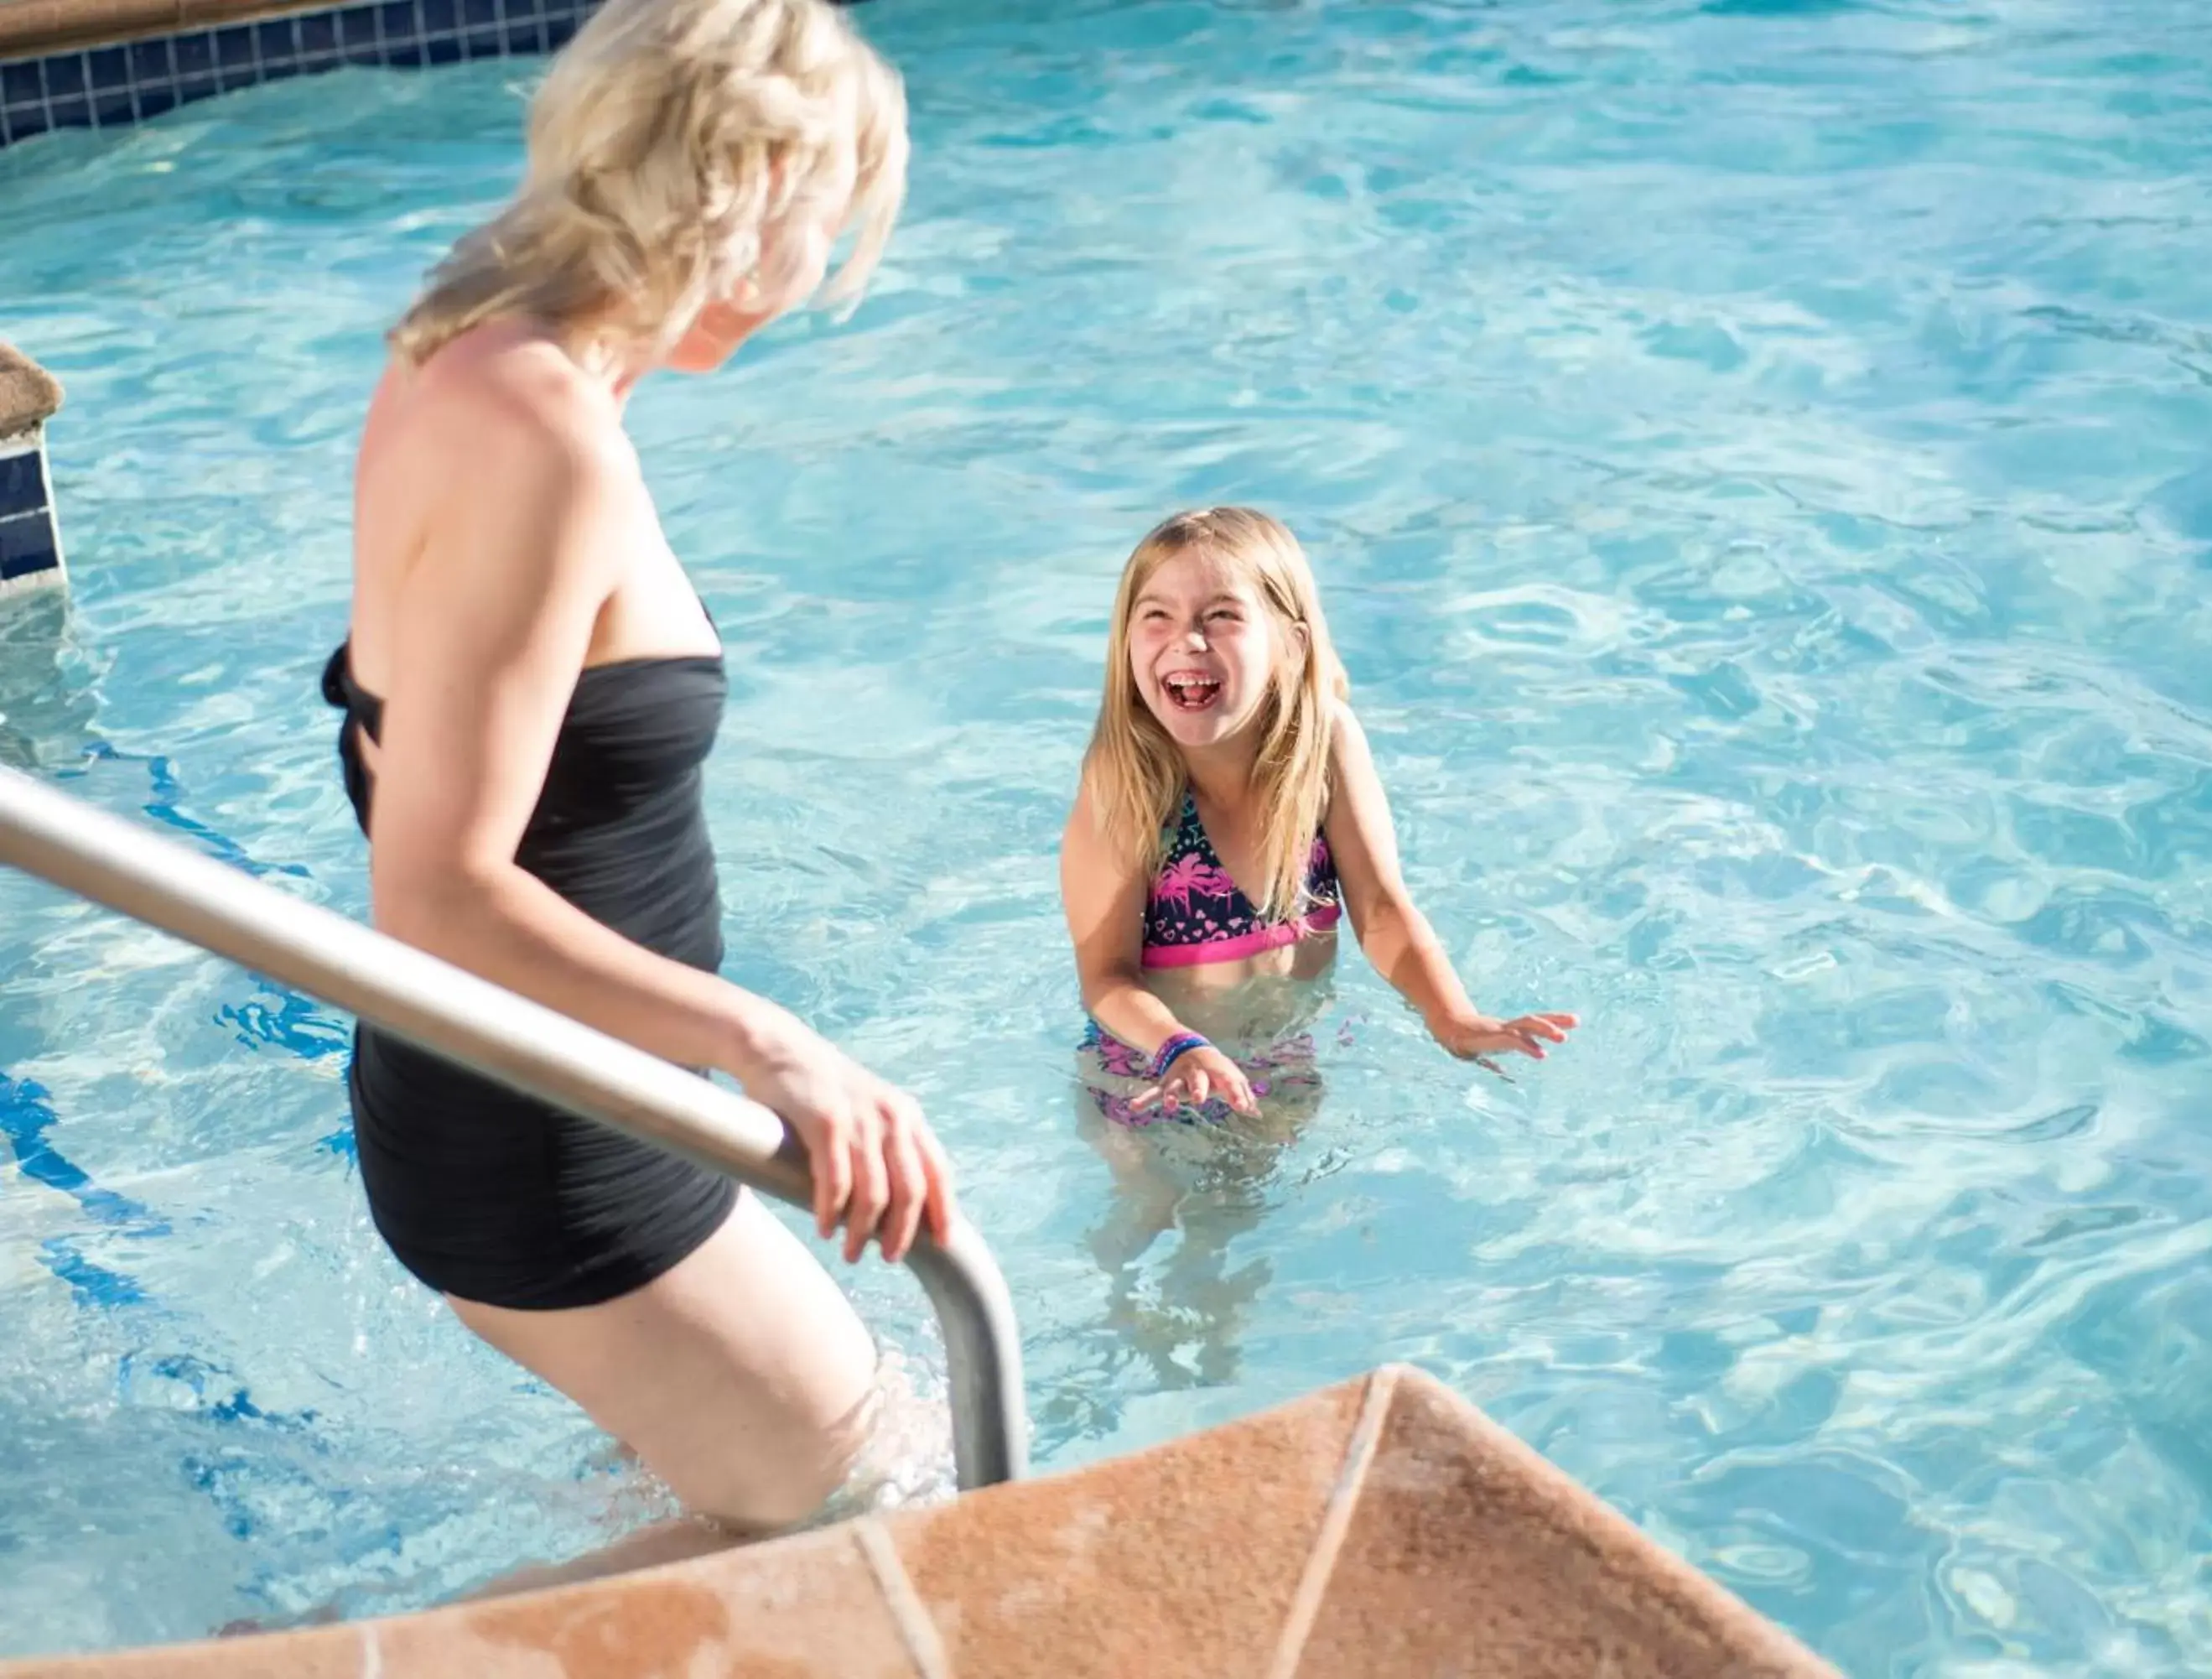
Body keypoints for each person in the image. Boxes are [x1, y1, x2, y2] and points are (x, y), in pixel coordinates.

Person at [318, 0, 950, 1536]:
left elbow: (390, 736)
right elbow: (437, 892)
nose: (813, 280)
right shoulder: (547, 437)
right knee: (880, 1509)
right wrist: (772, 1041)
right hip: (555, 1131)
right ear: (747, 197)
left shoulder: (469, 346)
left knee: (779, 1486)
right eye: (820, 224)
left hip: (549, 1097)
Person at [1058, 506, 1580, 1125]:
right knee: (1143, 1215)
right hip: (1151, 1071)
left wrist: (1452, 1017)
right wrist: (1181, 1046)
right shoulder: (1125, 779)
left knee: (1243, 1216)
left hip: (1283, 1063)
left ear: (1291, 642)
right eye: (1156, 616)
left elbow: (1383, 911)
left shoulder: (1321, 747)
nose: (1188, 639)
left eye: (1221, 615)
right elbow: (1106, 976)